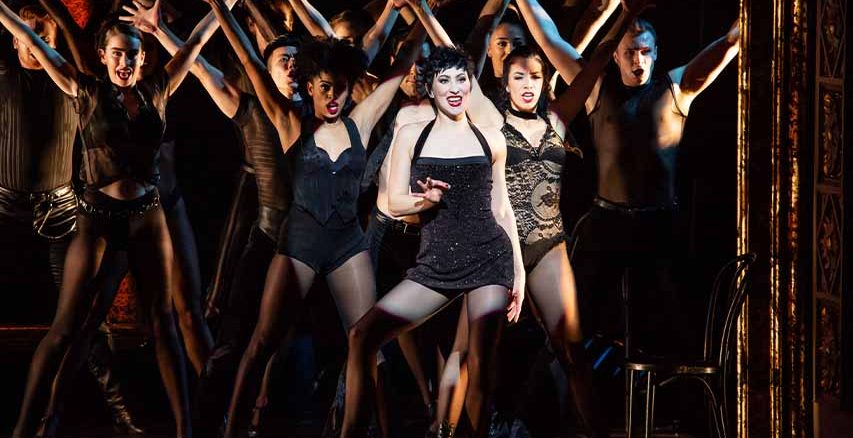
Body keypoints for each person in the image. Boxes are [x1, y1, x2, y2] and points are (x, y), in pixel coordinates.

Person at [203, 0, 426, 435]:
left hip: (346, 244)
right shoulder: (289, 121)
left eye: (340, 88)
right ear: (309, 87)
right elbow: (249, 60)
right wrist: (219, 9)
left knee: (366, 343)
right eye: (325, 88)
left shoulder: (361, 121)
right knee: (263, 341)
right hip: (300, 244)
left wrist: (420, 13)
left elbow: (400, 68)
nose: (333, 96)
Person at [0, 0, 214, 434]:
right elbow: (31, 40)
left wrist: (226, 6)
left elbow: (195, 44)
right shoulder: (86, 90)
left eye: (131, 54)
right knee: (67, 327)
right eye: (116, 53)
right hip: (98, 219)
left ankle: (185, 430)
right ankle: (28, 427)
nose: (124, 62)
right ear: (102, 55)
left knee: (164, 322)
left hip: (147, 217)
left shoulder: (157, 89)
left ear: (142, 56)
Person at [517, 0, 740, 353]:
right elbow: (548, 39)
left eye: (645, 52)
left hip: (659, 226)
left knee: (671, 332)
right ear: (616, 57)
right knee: (573, 326)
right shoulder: (595, 87)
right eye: (630, 53)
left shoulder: (676, 89)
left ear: (656, 52)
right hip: (607, 223)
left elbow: (729, 43)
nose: (639, 60)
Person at [341, 46, 525, 438]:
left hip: (489, 260)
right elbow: (393, 201)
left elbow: (503, 209)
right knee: (361, 335)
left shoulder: (491, 138)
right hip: (435, 263)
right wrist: (426, 200)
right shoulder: (411, 134)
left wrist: (520, 275)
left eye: (462, 79)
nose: (455, 88)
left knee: (480, 364)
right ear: (431, 87)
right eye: (445, 80)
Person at [0, 3, 142, 435]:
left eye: (43, 36)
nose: (34, 43)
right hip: (5, 207)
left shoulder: (74, 83)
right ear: (13, 39)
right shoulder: (3, 76)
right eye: (26, 35)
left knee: (83, 313)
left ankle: (122, 412)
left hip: (60, 208)